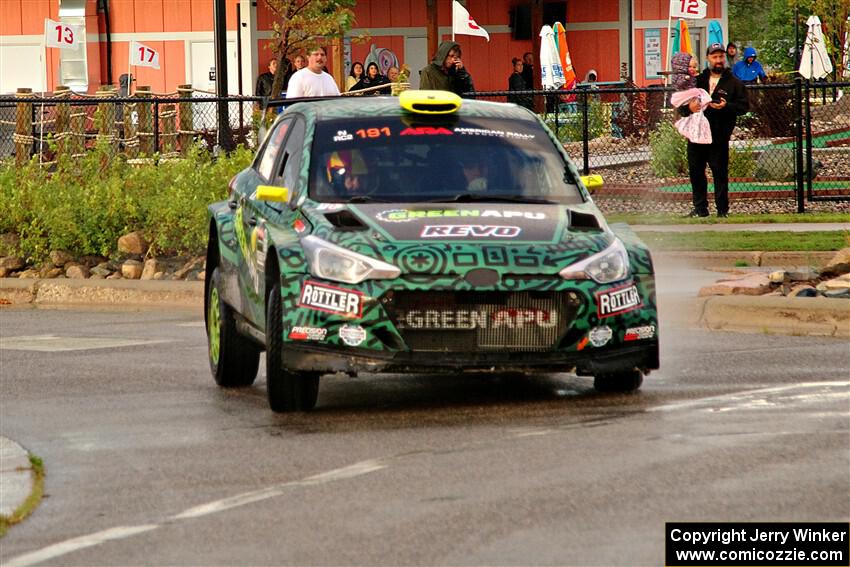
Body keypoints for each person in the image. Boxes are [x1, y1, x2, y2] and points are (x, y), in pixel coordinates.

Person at [679, 42, 749, 218]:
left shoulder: (734, 83)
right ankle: (700, 209)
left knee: (719, 172)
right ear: (708, 58)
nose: (718, 60)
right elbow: (681, 107)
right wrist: (690, 108)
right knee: (696, 171)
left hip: (718, 136)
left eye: (721, 56)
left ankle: (722, 210)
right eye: (714, 57)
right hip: (695, 135)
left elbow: (743, 106)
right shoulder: (697, 81)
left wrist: (726, 106)